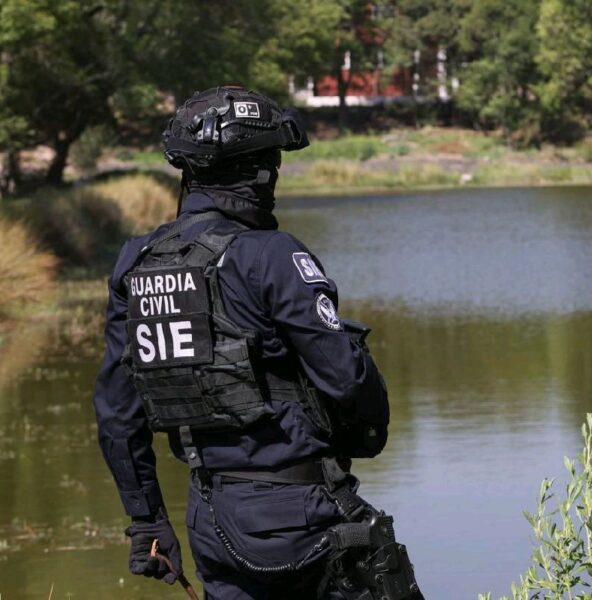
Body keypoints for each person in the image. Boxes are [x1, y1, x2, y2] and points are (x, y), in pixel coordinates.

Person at [93, 86, 423, 600]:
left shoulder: (138, 263)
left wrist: (147, 521)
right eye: (271, 160)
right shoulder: (270, 254)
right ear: (257, 170)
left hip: (211, 518)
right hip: (301, 516)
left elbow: (117, 414)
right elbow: (349, 381)